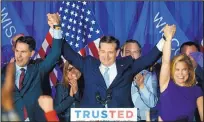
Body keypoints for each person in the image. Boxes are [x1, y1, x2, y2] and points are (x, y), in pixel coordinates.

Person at [48, 13, 176, 108]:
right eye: (103, 52)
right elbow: (68, 53)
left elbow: (149, 59)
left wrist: (165, 38)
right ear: (98, 51)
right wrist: (57, 28)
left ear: (117, 52)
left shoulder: (127, 65)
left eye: (110, 52)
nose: (106, 56)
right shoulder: (88, 64)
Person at [1, 13, 63, 121]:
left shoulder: (38, 69)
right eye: (17, 51)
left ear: (31, 53)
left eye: (23, 52)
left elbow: (55, 54)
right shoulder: (5, 70)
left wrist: (57, 27)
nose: (19, 56)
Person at [158, 25, 203, 121]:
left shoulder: (197, 90)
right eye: (177, 70)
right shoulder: (166, 84)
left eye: (184, 70)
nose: (180, 74)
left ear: (189, 71)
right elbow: (165, 62)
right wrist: (168, 39)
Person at [121, 40, 158, 121]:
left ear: (140, 55)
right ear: (121, 54)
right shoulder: (114, 74)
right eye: (128, 52)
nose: (131, 55)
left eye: (135, 52)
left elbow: (152, 103)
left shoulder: (149, 76)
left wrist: (141, 87)